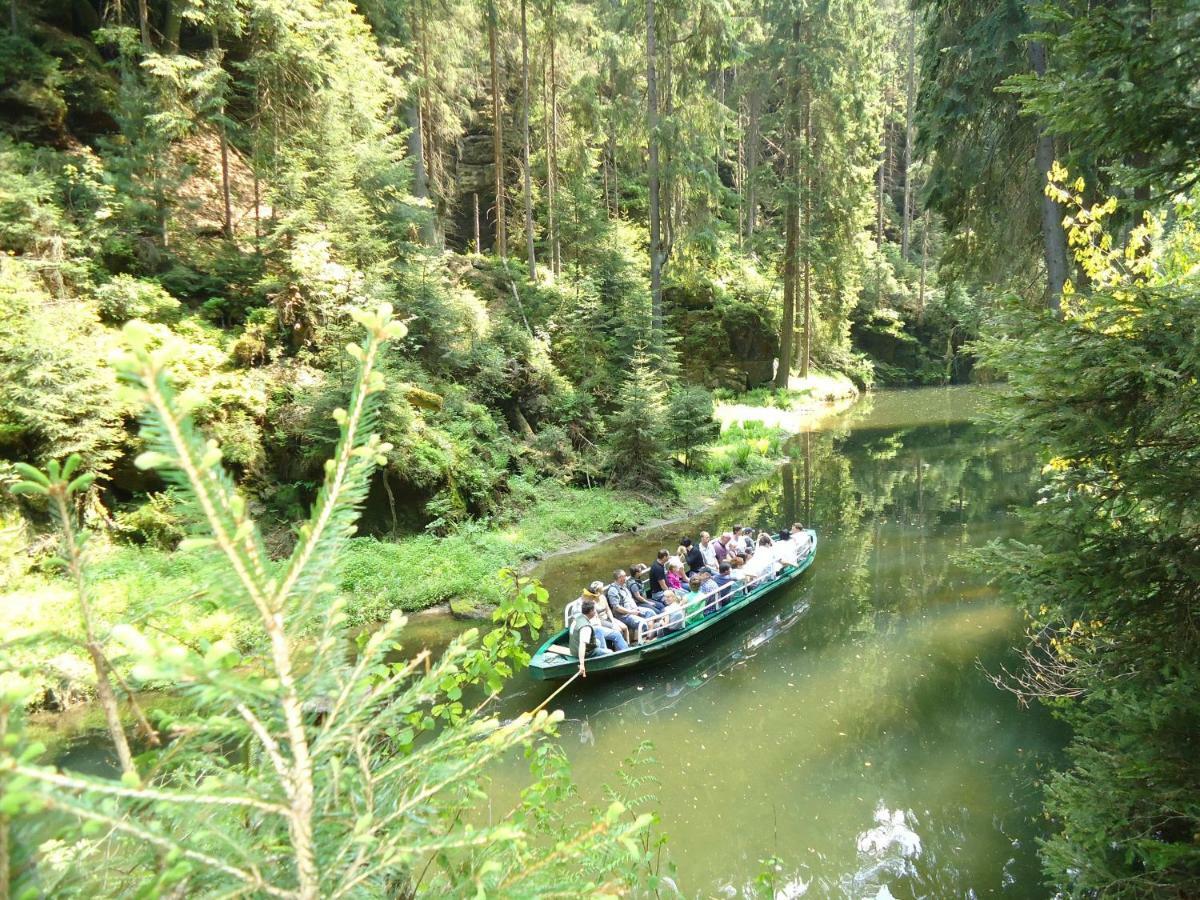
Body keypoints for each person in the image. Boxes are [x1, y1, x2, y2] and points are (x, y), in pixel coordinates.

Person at [570, 599, 612, 677]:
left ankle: (602, 651)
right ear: (591, 611)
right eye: (595, 609)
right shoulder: (585, 627)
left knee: (598, 637)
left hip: (573, 649)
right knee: (610, 653)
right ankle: (604, 655)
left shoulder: (578, 618)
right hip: (585, 653)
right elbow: (582, 645)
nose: (596, 611)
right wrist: (582, 664)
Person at [606, 569, 652, 640]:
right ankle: (644, 642)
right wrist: (631, 612)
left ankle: (649, 636)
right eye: (625, 576)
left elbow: (630, 599)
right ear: (620, 578)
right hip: (624, 615)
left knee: (650, 612)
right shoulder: (613, 590)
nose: (626, 577)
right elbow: (616, 607)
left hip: (633, 609)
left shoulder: (624, 586)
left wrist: (635, 608)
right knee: (643, 624)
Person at [589, 580, 630, 644]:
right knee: (619, 630)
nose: (603, 589)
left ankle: (627, 644)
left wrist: (612, 620)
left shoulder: (602, 597)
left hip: (607, 617)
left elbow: (608, 610)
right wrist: (612, 624)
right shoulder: (592, 601)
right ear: (597, 590)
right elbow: (595, 616)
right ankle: (619, 649)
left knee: (625, 628)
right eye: (601, 588)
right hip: (601, 620)